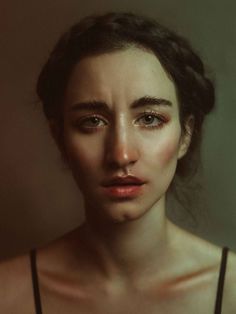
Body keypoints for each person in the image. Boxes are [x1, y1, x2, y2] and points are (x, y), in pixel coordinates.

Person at [0, 11, 235, 314]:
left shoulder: (230, 290)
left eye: (150, 118)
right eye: (92, 121)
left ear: (185, 135)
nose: (121, 154)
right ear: (59, 138)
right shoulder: (7, 295)